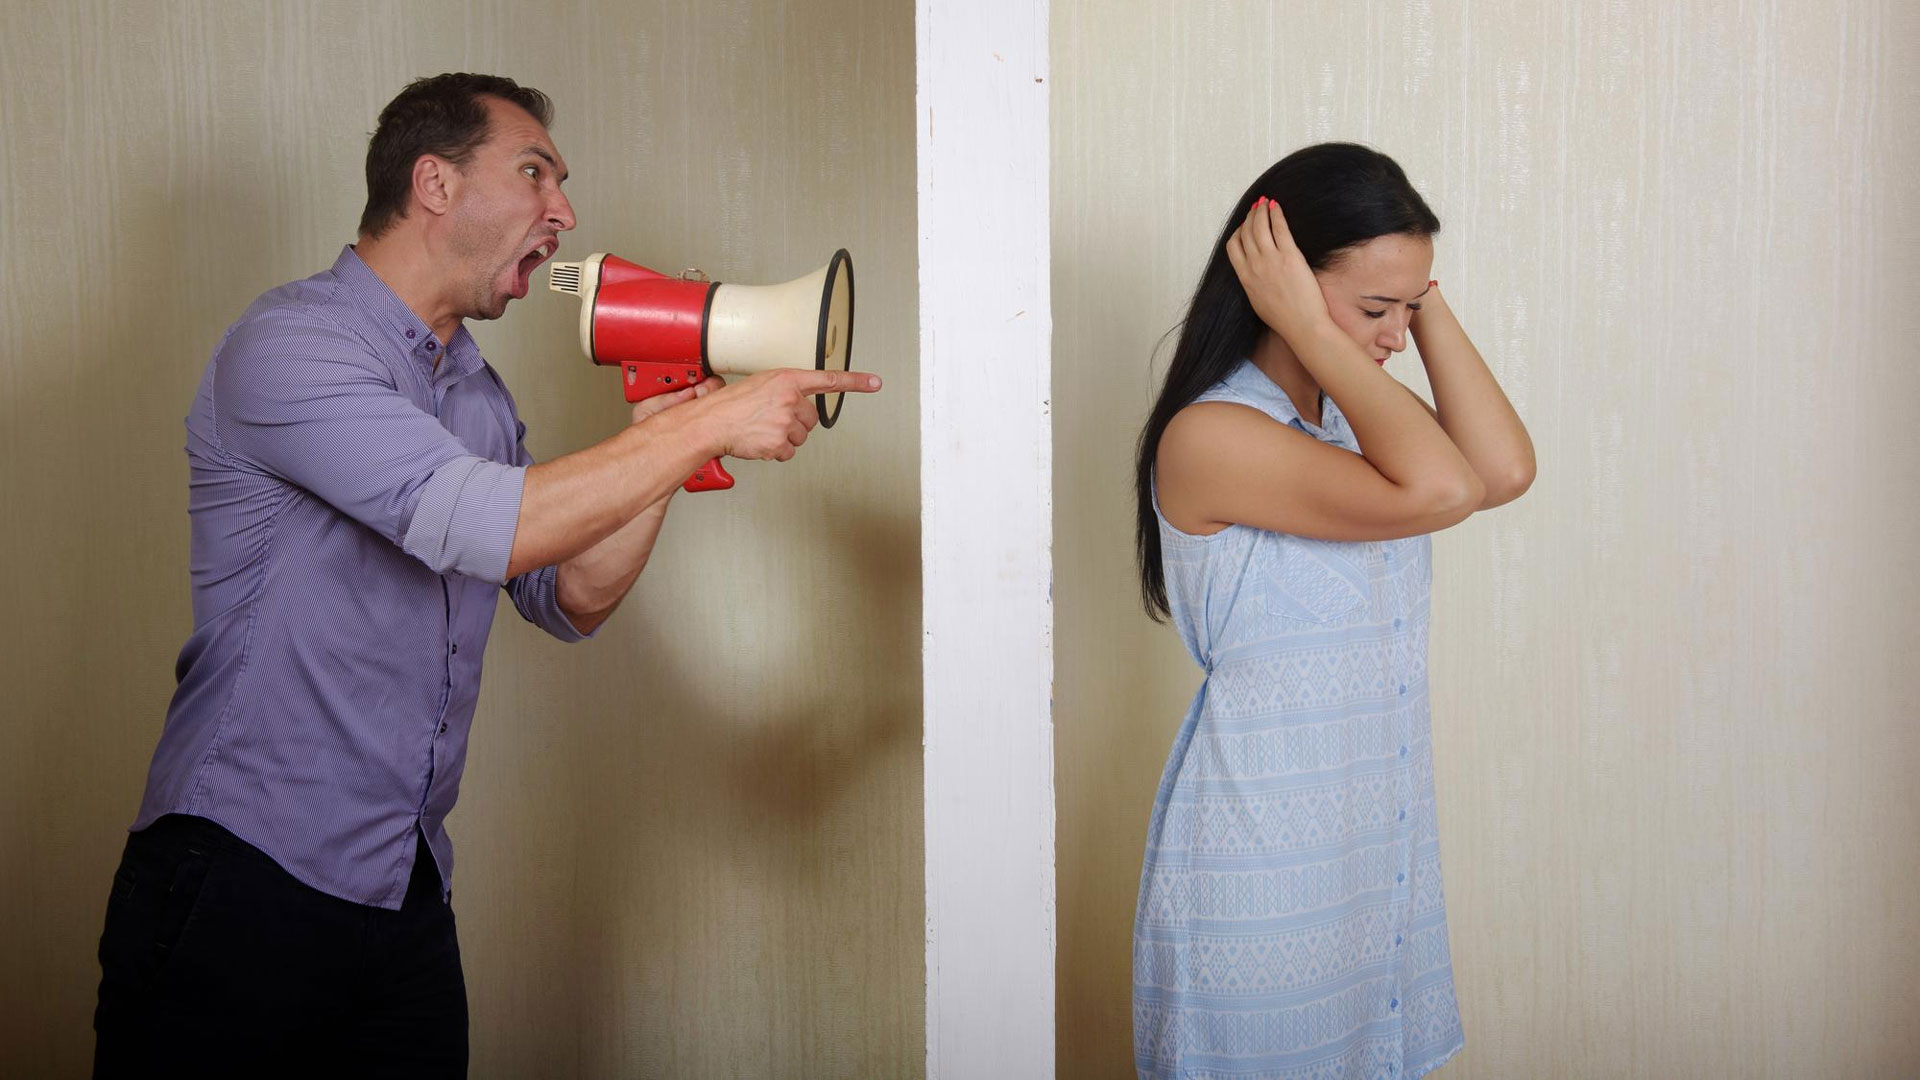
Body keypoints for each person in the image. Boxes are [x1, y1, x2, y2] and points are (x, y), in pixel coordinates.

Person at [91, 72, 880, 1077]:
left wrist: (673, 445)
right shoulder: (289, 347)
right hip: (242, 878)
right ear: (434, 183)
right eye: (535, 171)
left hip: (402, 889)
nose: (566, 210)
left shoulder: (477, 394)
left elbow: (570, 596)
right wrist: (720, 423)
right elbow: (486, 526)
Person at [1131, 143, 1534, 1079]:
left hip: (1369, 863)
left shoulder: (1358, 430)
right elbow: (1442, 490)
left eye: (1412, 308)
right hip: (1264, 880)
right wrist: (1315, 332)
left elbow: (1502, 471)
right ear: (1283, 288)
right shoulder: (1215, 434)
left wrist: (1411, 300)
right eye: (1375, 310)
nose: (1397, 335)